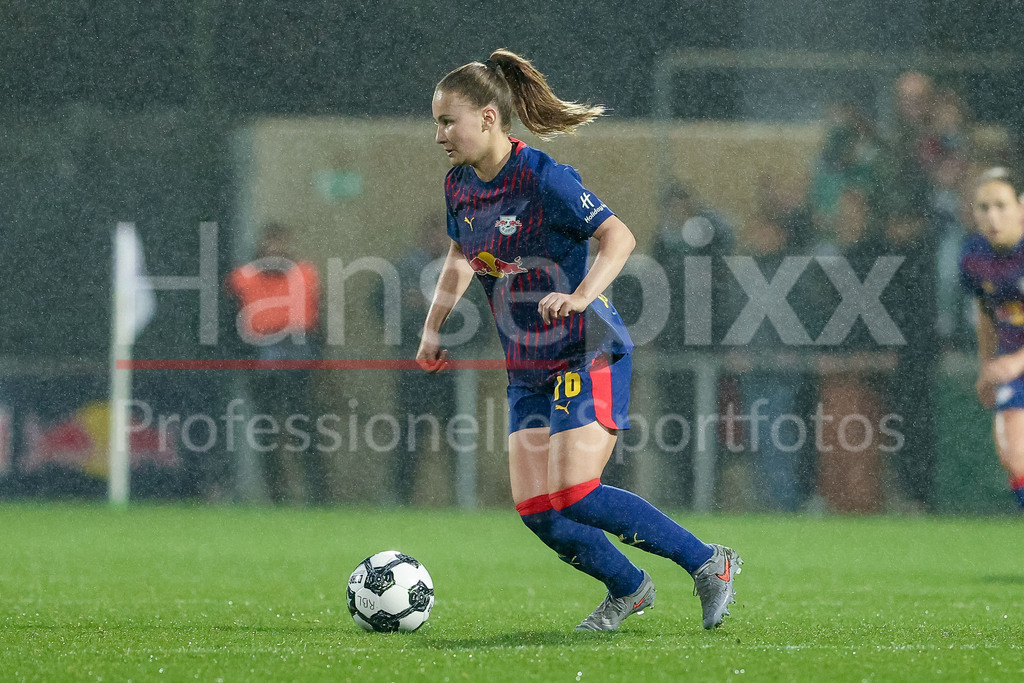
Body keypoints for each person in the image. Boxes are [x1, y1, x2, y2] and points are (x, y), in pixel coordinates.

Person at [416, 49, 742, 631]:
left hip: (584, 350)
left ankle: (707, 562)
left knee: (574, 492)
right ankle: (629, 588)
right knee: (538, 511)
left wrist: (581, 295)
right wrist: (433, 325)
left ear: (488, 118)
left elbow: (619, 236)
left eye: (447, 121)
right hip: (526, 366)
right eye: (436, 122)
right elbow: (462, 253)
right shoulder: (458, 185)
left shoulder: (544, 177)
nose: (438, 135)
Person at [225, 222, 328, 505]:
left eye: (280, 243)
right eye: (271, 243)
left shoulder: (303, 275)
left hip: (298, 365)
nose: (275, 250)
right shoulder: (242, 279)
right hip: (260, 364)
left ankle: (318, 493)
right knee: (267, 432)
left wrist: (316, 360)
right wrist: (242, 362)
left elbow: (318, 321)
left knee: (303, 429)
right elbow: (231, 324)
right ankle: (276, 495)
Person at [959, 167, 1024, 511]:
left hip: (1018, 363)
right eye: (983, 208)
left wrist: (1016, 361)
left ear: (1021, 207)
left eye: (1001, 205)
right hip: (1015, 368)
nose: (992, 216)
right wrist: (987, 366)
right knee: (1014, 457)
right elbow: (985, 314)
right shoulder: (973, 256)